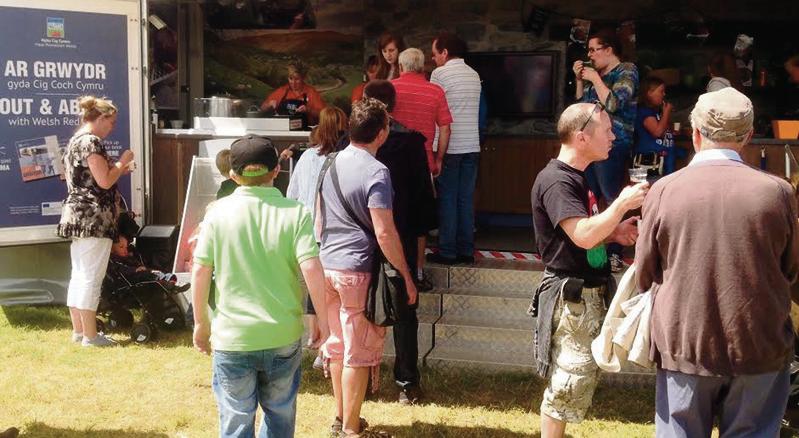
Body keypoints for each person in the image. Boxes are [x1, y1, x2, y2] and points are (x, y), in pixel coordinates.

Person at [636, 87, 799, 438]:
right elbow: (791, 269)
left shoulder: (664, 190)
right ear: (749, 136)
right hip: (759, 341)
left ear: (695, 133)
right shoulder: (779, 192)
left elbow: (644, 274)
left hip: (685, 342)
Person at [191, 135, 329, 438]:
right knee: (280, 414)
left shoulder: (216, 213)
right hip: (282, 334)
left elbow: (200, 270)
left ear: (232, 175)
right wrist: (323, 320)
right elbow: (311, 268)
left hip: (232, 337)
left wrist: (201, 322)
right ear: (276, 170)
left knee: (236, 420)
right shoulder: (296, 212)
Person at [531, 102, 647, 438]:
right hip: (573, 299)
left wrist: (614, 232)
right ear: (582, 137)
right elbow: (582, 235)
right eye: (607, 130)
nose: (613, 136)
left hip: (586, 294)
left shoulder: (576, 177)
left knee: (577, 378)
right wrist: (622, 204)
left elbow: (578, 232)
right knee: (568, 382)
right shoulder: (557, 181)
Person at [318, 98, 418, 437]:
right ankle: (350, 429)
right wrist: (406, 276)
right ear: (381, 132)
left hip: (327, 264)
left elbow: (319, 217)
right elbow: (385, 232)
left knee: (337, 346)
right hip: (357, 269)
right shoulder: (377, 171)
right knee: (358, 353)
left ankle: (341, 417)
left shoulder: (329, 163)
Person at [363, 79, 437, 404]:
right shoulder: (410, 141)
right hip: (399, 232)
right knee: (405, 309)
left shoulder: (350, 143)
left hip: (362, 234)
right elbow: (422, 195)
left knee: (361, 310)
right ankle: (407, 383)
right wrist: (422, 236)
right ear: (394, 105)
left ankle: (363, 379)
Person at [57, 95, 134, 347]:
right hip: (94, 217)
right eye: (111, 122)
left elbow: (88, 177)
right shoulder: (92, 141)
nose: (112, 127)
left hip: (77, 215)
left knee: (79, 273)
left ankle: (79, 331)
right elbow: (105, 181)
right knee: (90, 276)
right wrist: (123, 161)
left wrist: (117, 169)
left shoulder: (74, 141)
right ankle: (91, 336)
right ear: (100, 118)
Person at [573, 28, 639, 273]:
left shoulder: (627, 70)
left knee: (612, 198)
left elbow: (613, 103)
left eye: (594, 50)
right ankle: (591, 251)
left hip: (613, 143)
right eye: (588, 50)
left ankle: (614, 253)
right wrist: (580, 81)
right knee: (589, 198)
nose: (590, 55)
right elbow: (581, 109)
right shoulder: (596, 76)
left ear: (609, 49)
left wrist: (594, 79)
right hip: (590, 145)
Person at [286, 106, 348, 349]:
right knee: (332, 288)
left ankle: (314, 334)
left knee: (313, 284)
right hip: (334, 229)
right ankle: (330, 336)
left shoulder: (308, 156)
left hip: (307, 228)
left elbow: (292, 194)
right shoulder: (344, 156)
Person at [391, 47, 452, 285]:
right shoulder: (435, 91)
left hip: (392, 164)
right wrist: (439, 159)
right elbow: (445, 128)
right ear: (422, 67)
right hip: (422, 163)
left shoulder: (391, 89)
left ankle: (396, 269)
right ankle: (417, 271)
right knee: (420, 221)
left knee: (393, 216)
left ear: (401, 66)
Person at [427, 32, 482, 265]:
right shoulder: (474, 74)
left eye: (435, 54)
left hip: (449, 147)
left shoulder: (439, 74)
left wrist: (435, 153)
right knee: (465, 199)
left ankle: (448, 251)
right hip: (472, 145)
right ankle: (466, 250)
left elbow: (434, 112)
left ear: (445, 52)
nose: (433, 59)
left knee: (447, 199)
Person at [635, 76, 684, 175]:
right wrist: (666, 112)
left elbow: (662, 128)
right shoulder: (644, 111)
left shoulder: (655, 111)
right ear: (649, 93)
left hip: (666, 155)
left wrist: (671, 131)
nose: (664, 94)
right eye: (661, 91)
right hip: (652, 159)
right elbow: (657, 132)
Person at [109, 234, 190, 292]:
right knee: (150, 275)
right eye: (121, 247)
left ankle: (173, 282)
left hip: (141, 271)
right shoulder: (114, 259)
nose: (125, 250)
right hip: (131, 278)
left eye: (126, 247)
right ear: (111, 249)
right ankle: (170, 285)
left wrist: (132, 254)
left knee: (157, 272)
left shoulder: (127, 256)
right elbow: (120, 269)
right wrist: (135, 270)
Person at [260, 61, 326, 126]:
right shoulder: (282, 91)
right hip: (284, 128)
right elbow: (262, 108)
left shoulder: (311, 92)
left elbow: (325, 115)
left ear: (303, 78)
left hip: (305, 130)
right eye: (290, 78)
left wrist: (308, 110)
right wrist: (269, 105)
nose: (293, 83)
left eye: (297, 79)